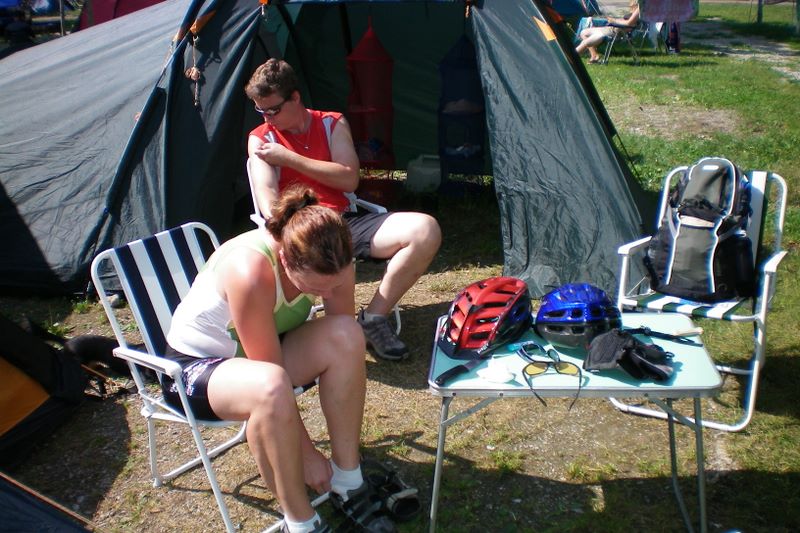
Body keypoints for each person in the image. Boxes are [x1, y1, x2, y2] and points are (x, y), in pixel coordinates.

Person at [164, 187, 395, 533]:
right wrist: (307, 455)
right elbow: (270, 373)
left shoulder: (335, 256)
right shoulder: (251, 270)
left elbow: (339, 332)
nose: (328, 295)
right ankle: (300, 522)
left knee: (348, 334)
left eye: (334, 286)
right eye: (315, 289)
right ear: (285, 262)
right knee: (270, 388)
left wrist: (330, 289)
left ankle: (348, 480)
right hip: (194, 369)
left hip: (262, 359)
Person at [245, 59, 442, 362]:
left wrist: (289, 159)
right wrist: (295, 232)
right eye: (261, 111)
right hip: (300, 228)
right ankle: (336, 343)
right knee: (335, 257)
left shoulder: (331, 123)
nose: (268, 119)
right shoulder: (262, 139)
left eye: (273, 110)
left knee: (425, 230)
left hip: (344, 219)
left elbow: (349, 178)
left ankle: (373, 319)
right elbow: (268, 201)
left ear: (295, 97)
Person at [575, 1, 640, 64]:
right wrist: (614, 20)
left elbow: (629, 24)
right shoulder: (636, 10)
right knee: (584, 33)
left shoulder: (639, 10)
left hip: (616, 32)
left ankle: (572, 56)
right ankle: (594, 56)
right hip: (611, 28)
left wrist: (614, 21)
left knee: (586, 42)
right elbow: (627, 21)